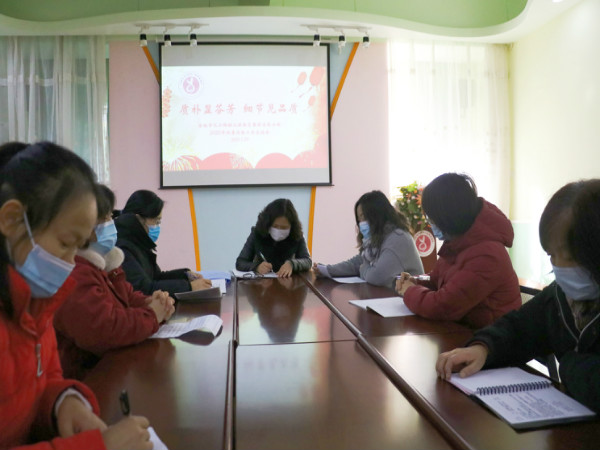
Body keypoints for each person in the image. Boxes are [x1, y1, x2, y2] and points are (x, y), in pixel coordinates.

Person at [0, 141, 151, 450]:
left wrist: (62, 402)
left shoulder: (36, 304)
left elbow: (42, 381)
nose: (71, 262)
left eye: (79, 246)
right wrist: (99, 447)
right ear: (12, 220)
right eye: (65, 243)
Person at [436, 179, 600, 412]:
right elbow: (520, 327)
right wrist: (483, 348)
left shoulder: (486, 253)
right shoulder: (561, 296)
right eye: (552, 256)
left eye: (570, 257)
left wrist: (570, 365)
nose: (559, 267)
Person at [54, 185, 175, 380]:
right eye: (104, 219)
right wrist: (152, 315)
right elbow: (105, 329)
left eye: (111, 216)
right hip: (87, 377)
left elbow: (128, 296)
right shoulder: (76, 272)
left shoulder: (105, 264)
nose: (112, 223)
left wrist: (152, 302)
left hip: (109, 366)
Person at [396, 173, 520, 328]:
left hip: (492, 338)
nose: (429, 224)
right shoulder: (457, 242)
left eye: (431, 219)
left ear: (447, 216)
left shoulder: (487, 255)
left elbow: (442, 306)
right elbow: (436, 278)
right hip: (465, 331)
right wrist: (416, 280)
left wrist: (410, 291)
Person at [313, 190, 423, 289]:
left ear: (377, 215)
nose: (361, 223)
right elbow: (357, 263)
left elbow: (377, 277)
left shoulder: (398, 238)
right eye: (359, 219)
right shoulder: (377, 238)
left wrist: (363, 268)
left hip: (406, 301)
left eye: (364, 217)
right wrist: (327, 270)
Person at [114, 189, 211, 297]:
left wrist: (185, 275)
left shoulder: (139, 243)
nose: (157, 226)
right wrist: (189, 287)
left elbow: (157, 277)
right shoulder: (123, 248)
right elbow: (145, 289)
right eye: (156, 221)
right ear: (139, 219)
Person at [236, 198, 312, 277]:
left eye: (284, 228)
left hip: (288, 281)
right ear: (267, 223)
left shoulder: (297, 234)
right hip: (261, 282)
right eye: (275, 226)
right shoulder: (257, 233)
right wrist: (257, 267)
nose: (279, 230)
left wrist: (292, 264)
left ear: (292, 226)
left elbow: (308, 261)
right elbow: (240, 262)